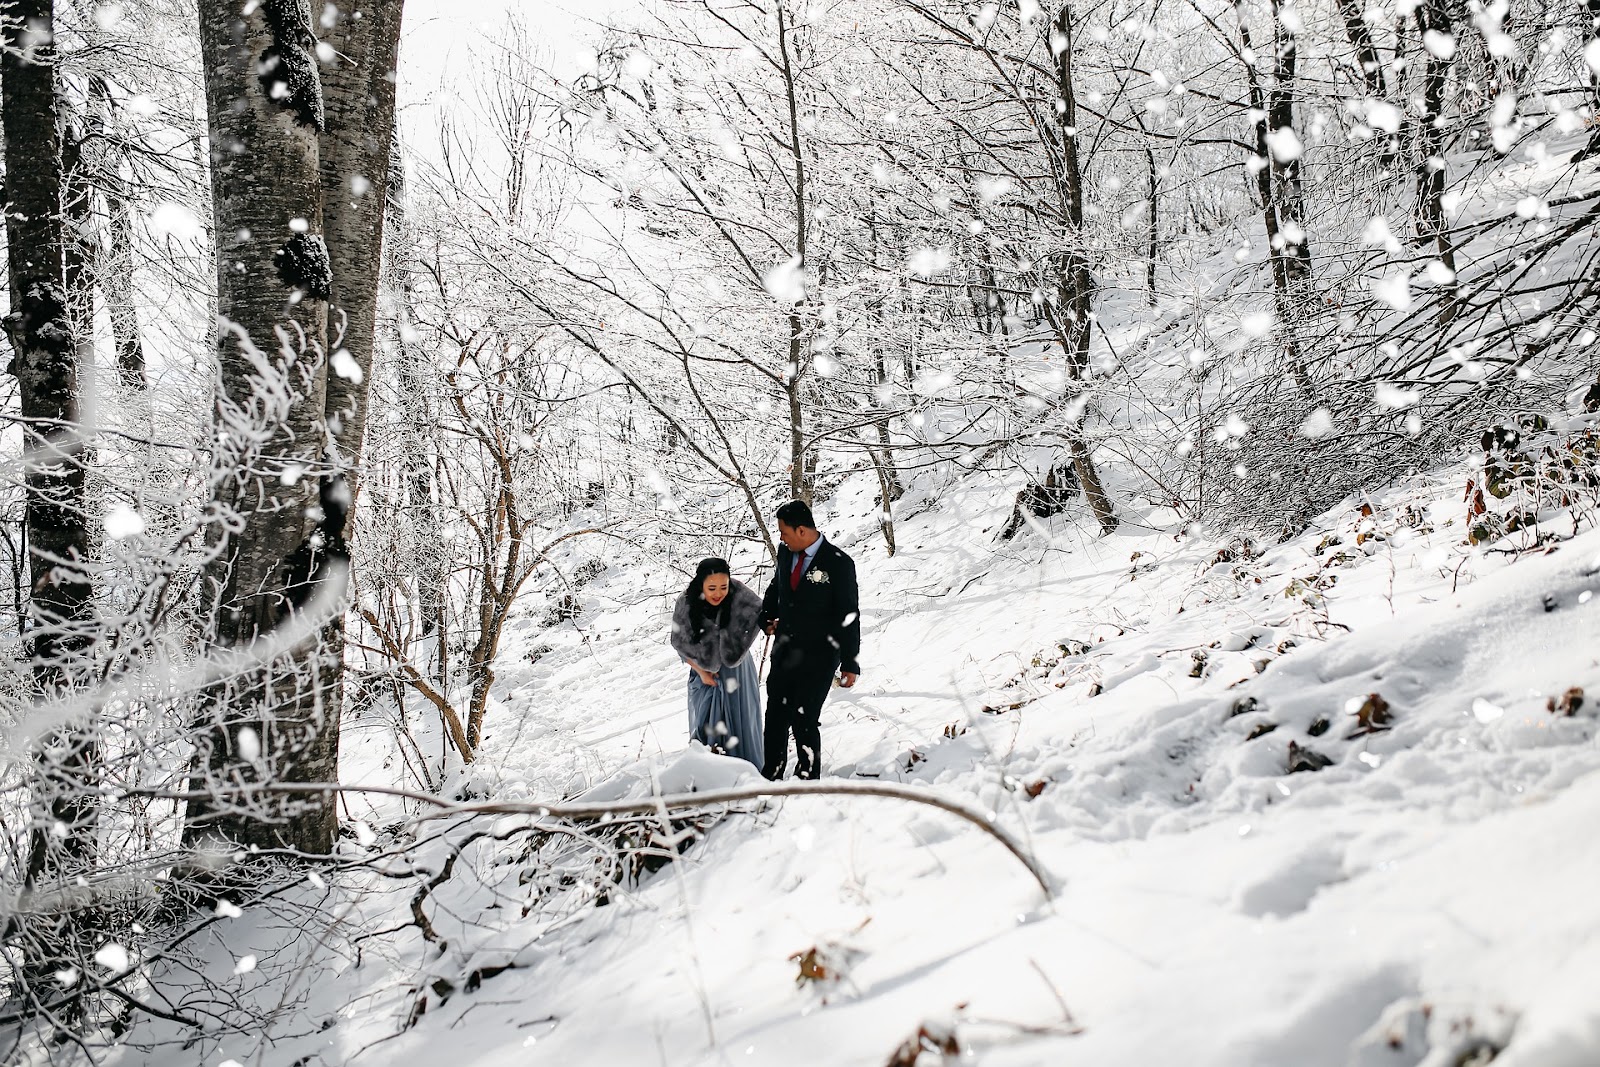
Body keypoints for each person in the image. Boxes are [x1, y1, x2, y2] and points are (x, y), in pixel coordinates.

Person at [758, 501, 861, 780]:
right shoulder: (785, 552)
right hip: (784, 653)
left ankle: (807, 780)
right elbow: (777, 586)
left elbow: (849, 614)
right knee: (775, 718)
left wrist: (850, 662)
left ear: (802, 530)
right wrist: (766, 616)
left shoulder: (838, 563)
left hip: (820, 656)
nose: (781, 537)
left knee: (804, 720)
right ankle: (771, 775)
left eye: (784, 532)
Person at [669, 557, 765, 769]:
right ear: (700, 583)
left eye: (723, 586)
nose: (718, 593)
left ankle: (747, 774)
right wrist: (702, 671)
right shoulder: (686, 603)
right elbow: (680, 644)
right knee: (707, 726)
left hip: (738, 672)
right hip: (703, 674)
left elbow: (760, 611)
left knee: (741, 725)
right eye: (712, 587)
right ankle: (711, 777)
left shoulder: (739, 594)